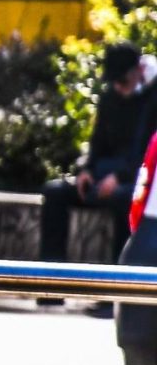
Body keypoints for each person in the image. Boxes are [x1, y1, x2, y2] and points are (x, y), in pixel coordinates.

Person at [44, 41, 151, 271]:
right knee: (55, 192)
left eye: (123, 81)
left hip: (133, 181)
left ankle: (116, 280)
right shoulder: (109, 98)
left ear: (139, 71)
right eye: (115, 82)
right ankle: (51, 275)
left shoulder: (151, 101)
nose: (118, 87)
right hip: (104, 176)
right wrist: (86, 170)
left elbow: (147, 152)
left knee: (126, 200)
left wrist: (120, 177)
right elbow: (98, 143)